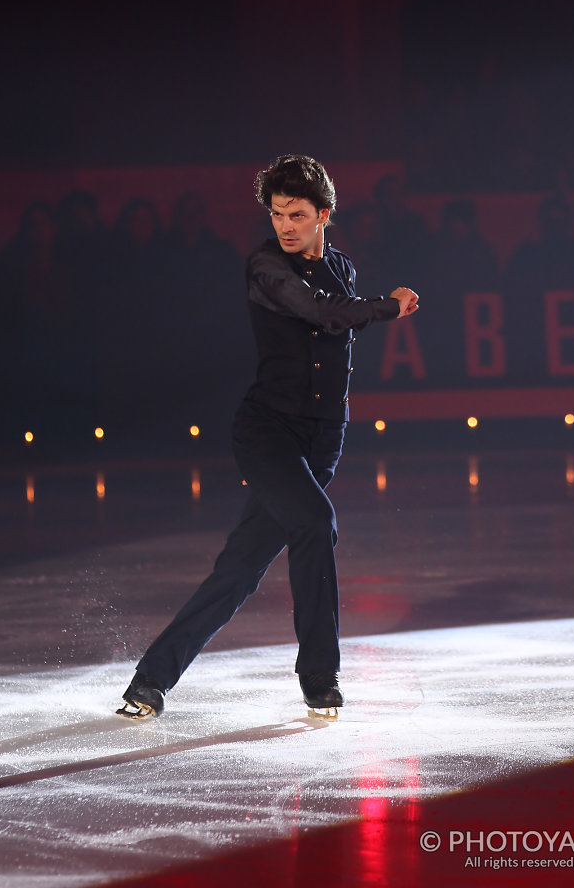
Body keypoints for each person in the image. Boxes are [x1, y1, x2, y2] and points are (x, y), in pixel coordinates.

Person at [118, 155, 419, 720]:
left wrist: (365, 305)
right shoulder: (265, 266)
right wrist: (389, 307)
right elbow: (320, 313)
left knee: (239, 568)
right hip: (266, 431)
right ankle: (320, 680)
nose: (285, 225)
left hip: (323, 438)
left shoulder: (341, 269)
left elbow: (335, 314)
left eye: (297, 214)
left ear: (324, 215)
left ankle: (151, 680)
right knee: (315, 523)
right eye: (277, 213)